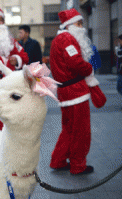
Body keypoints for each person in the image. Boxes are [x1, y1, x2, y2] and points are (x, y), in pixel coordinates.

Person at [49, 8, 104, 175]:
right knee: (80, 130)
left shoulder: (58, 39)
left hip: (65, 91)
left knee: (68, 128)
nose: (82, 27)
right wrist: (89, 68)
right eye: (79, 23)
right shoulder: (68, 39)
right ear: (69, 25)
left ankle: (58, 160)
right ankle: (78, 165)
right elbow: (75, 63)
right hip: (75, 91)